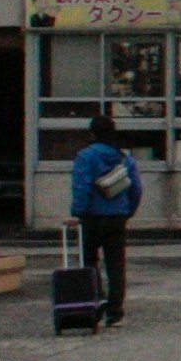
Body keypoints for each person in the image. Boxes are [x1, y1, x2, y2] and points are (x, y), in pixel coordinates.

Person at [68, 115, 140, 327]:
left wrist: (77, 212)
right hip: (117, 217)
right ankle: (115, 310)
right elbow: (136, 188)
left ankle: (96, 301)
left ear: (92, 133)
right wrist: (128, 211)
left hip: (92, 217)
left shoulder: (86, 156)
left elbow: (82, 187)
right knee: (116, 264)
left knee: (89, 261)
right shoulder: (125, 158)